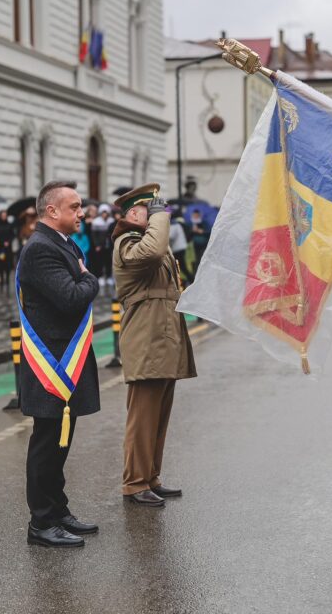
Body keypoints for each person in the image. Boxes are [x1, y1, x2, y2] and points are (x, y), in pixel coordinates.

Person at [17, 180, 100, 548]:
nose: (81, 213)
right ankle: (41, 522)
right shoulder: (40, 249)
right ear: (51, 211)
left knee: (60, 443)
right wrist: (88, 277)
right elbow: (71, 298)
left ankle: (58, 510)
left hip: (66, 359)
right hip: (51, 363)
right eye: (74, 207)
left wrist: (82, 277)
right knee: (47, 444)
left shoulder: (62, 244)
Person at [112, 184, 197, 507]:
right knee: (143, 417)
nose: (160, 215)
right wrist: (160, 219)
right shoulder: (127, 242)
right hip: (146, 337)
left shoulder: (148, 240)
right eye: (152, 210)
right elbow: (152, 253)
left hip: (163, 335)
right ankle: (134, 482)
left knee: (159, 415)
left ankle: (150, 477)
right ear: (134, 213)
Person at [169, 208, 188, 284]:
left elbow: (171, 237)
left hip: (178, 249)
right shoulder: (177, 224)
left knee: (179, 266)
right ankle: (186, 280)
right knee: (180, 266)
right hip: (180, 247)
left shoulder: (174, 225)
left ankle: (186, 280)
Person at [0, 210, 15, 286]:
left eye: (5, 215)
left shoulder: (9, 225)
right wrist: (0, 242)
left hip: (8, 248)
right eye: (2, 215)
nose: (4, 217)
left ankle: (7, 279)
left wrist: (8, 242)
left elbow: (12, 235)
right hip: (0, 248)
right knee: (1, 263)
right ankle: (1, 278)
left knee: (8, 263)